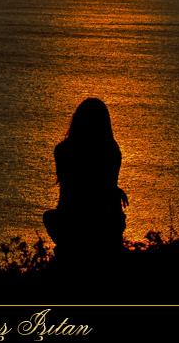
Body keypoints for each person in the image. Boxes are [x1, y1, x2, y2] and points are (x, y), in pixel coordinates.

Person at [43, 98, 128, 262]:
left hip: (74, 217)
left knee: (51, 218)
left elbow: (66, 193)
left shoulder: (62, 150)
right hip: (101, 218)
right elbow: (108, 188)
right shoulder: (112, 150)